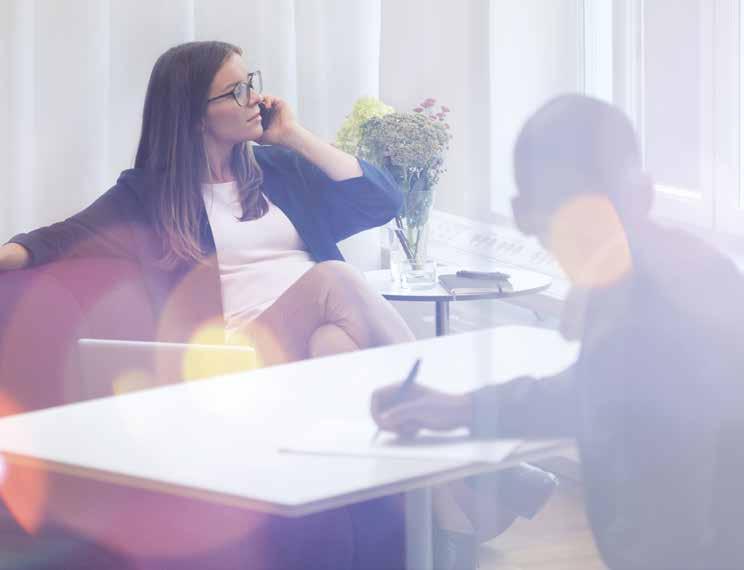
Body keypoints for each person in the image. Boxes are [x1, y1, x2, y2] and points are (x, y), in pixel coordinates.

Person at [372, 94, 744, 570]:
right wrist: (459, 408)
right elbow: (592, 390)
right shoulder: (642, 278)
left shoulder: (666, 308)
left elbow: (675, 526)